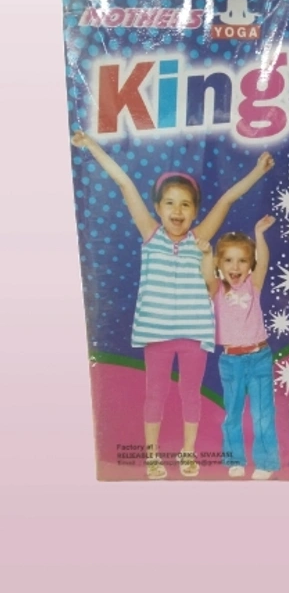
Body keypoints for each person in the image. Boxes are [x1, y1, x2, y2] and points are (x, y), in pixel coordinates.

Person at [71, 131, 274, 479]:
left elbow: (227, 198)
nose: (177, 211)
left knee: (190, 395)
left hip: (194, 334)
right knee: (156, 395)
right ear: (157, 208)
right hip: (157, 334)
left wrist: (258, 171)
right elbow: (124, 183)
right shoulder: (150, 234)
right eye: (169, 203)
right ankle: (152, 455)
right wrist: (91, 145)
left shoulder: (201, 238)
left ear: (195, 211)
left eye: (185, 205)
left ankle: (187, 453)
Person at [198, 216, 280, 480]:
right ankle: (235, 459)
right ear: (219, 264)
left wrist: (259, 234)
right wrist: (207, 254)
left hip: (259, 357)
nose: (235, 266)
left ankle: (266, 462)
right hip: (231, 361)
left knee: (263, 415)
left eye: (242, 261)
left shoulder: (253, 285)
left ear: (250, 265)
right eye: (228, 260)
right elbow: (206, 274)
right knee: (232, 414)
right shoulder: (216, 289)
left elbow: (263, 261)